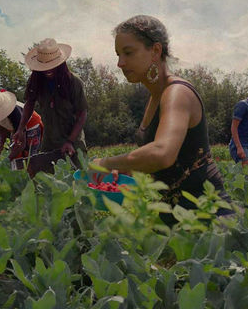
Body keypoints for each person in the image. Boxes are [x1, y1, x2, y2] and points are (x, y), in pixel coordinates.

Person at [92, 15, 233, 226]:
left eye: (128, 53)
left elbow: (162, 154)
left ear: (156, 51)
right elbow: (165, 163)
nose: (120, 63)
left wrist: (105, 163)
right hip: (174, 217)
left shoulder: (176, 92)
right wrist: (128, 170)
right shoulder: (155, 97)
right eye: (118, 54)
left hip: (208, 218)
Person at [13, 38, 88, 161]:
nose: (48, 70)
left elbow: (82, 114)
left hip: (73, 141)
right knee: (47, 178)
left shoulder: (74, 82)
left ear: (60, 63)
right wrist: (21, 129)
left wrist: (70, 141)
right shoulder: (36, 81)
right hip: (49, 141)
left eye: (51, 65)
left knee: (78, 176)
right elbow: (29, 103)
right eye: (43, 66)